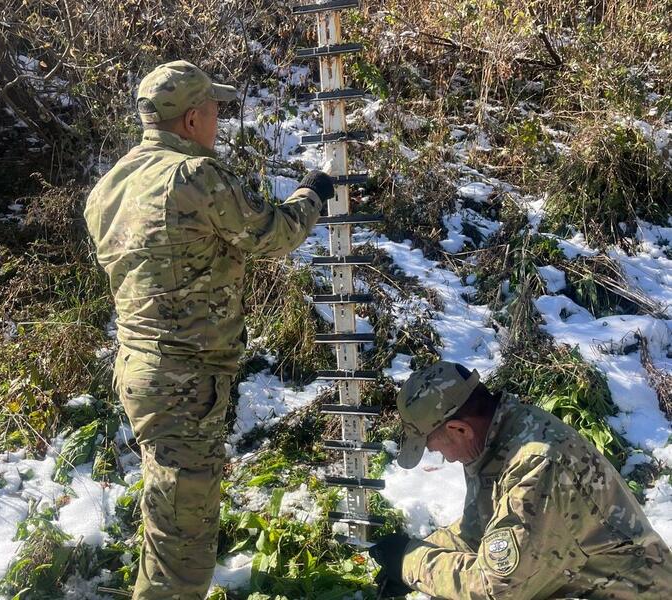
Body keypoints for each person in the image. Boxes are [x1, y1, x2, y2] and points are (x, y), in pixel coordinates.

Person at [84, 60, 333, 600]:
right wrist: (313, 193)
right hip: (184, 380)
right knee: (184, 547)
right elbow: (271, 236)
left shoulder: (110, 185)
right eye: (214, 109)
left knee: (169, 518)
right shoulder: (192, 175)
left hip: (141, 369)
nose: (219, 119)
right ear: (193, 118)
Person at [370, 360, 672, 599]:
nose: (445, 458)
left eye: (436, 449)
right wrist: (416, 550)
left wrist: (410, 564)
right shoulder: (493, 440)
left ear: (460, 430)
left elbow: (496, 588)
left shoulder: (537, 464)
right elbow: (478, 532)